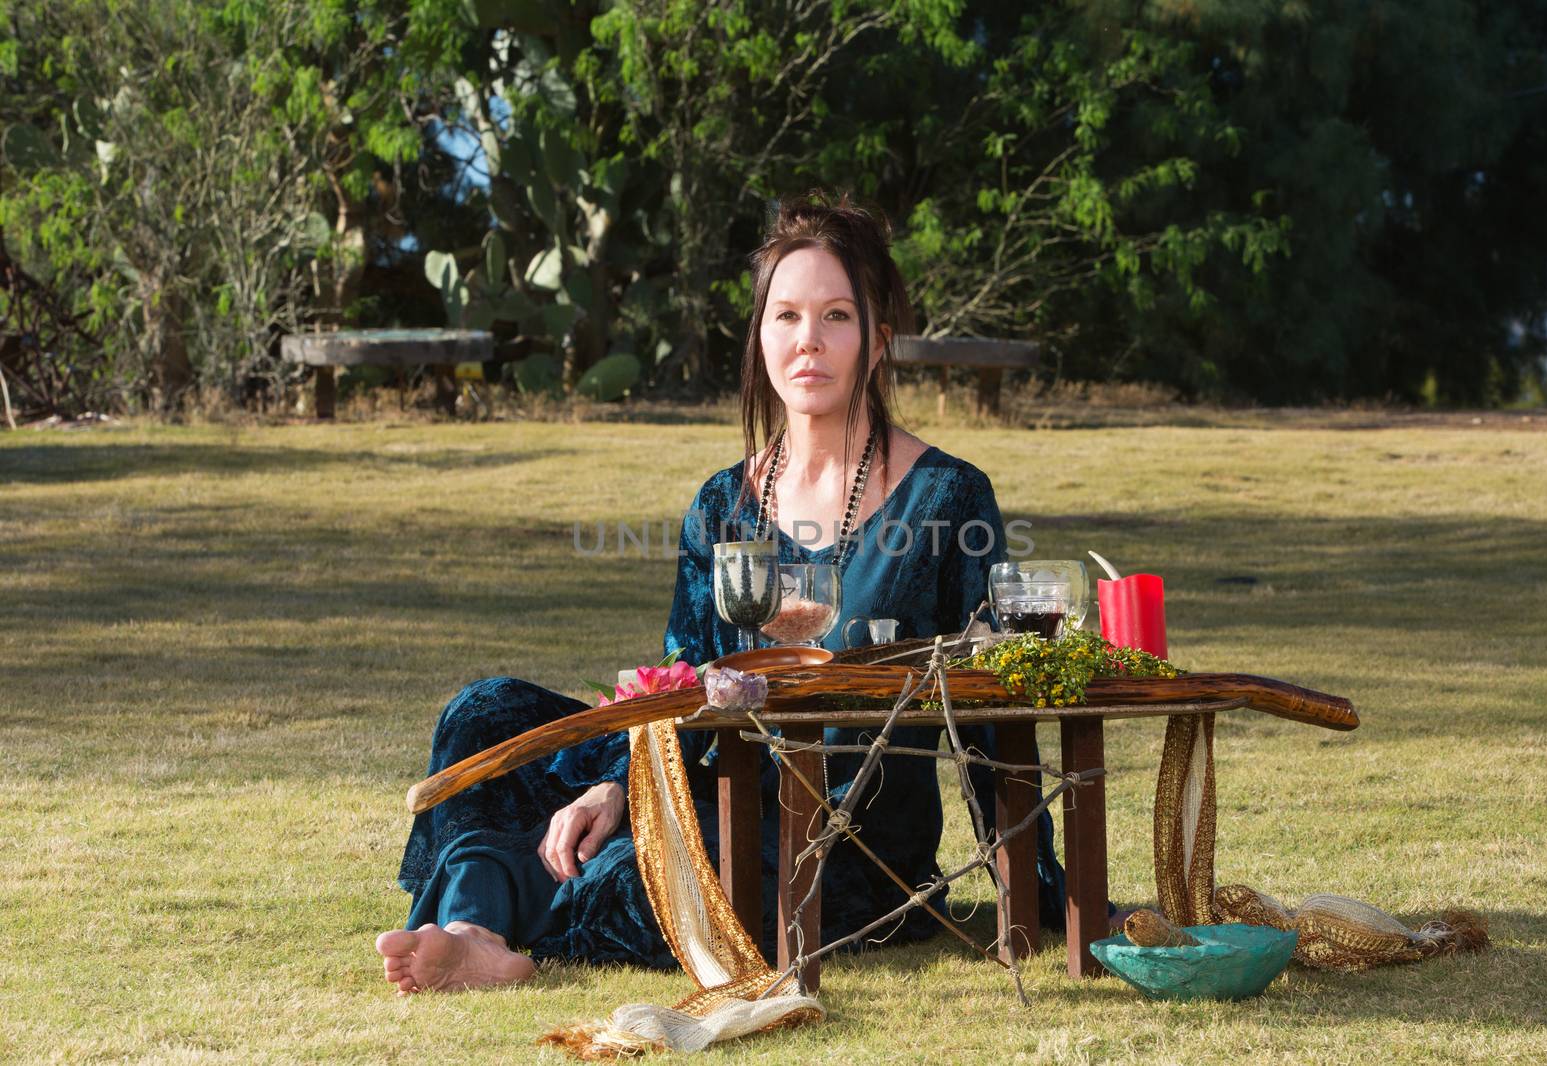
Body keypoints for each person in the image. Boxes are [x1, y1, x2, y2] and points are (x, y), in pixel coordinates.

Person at [376, 194, 1067, 995]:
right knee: (483, 716)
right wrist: (621, 787)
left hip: (845, 837)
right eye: (787, 317)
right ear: (761, 336)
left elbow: (988, 709)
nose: (808, 341)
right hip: (714, 776)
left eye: (837, 316)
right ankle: (472, 934)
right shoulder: (720, 503)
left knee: (640, 874)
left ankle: (484, 906)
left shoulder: (946, 497)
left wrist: (1047, 891)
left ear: (877, 341)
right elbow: (683, 681)